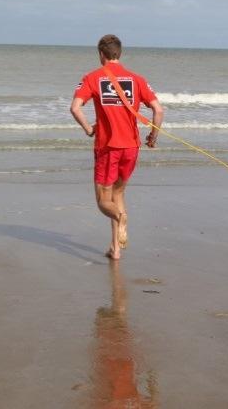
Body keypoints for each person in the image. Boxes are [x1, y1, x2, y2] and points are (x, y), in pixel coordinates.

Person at [70, 34, 163, 260]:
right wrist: (153, 136)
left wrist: (88, 129)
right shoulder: (137, 79)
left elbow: (75, 108)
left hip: (108, 147)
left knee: (103, 201)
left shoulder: (92, 77)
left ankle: (122, 220)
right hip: (131, 147)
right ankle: (116, 248)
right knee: (118, 193)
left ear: (101, 54)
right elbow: (158, 110)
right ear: (119, 54)